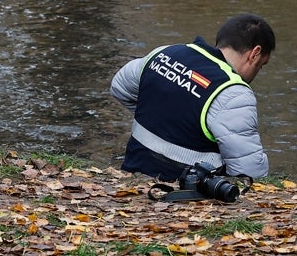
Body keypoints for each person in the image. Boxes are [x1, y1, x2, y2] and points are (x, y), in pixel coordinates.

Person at [109, 13, 274, 181]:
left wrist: (161, 115)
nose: (257, 72)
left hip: (131, 174)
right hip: (183, 192)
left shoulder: (165, 53)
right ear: (255, 53)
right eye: (261, 65)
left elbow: (119, 88)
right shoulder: (233, 92)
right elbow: (250, 171)